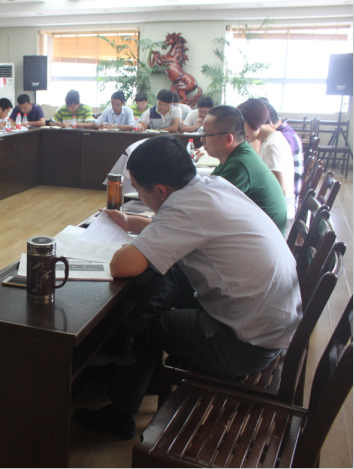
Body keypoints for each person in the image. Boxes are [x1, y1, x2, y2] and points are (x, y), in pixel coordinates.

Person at [74, 135, 301, 440]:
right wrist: (129, 221)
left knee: (150, 326)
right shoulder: (211, 186)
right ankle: (128, 351)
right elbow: (177, 229)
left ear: (160, 190)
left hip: (244, 346)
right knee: (170, 273)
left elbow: (122, 266)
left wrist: (132, 242)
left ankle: (120, 409)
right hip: (268, 324)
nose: (138, 194)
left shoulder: (183, 209)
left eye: (139, 189)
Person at [201, 105, 287, 234]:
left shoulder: (240, 165)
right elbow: (207, 188)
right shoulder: (236, 155)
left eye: (206, 134)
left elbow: (209, 206)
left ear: (228, 139)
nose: (202, 139)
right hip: (255, 231)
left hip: (263, 239)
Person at [238, 98, 296, 218]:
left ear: (254, 121)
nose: (241, 131)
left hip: (279, 214)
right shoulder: (272, 138)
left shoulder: (272, 145)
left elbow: (280, 190)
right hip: (277, 209)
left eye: (242, 125)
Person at [261, 99, 304, 199]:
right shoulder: (281, 132)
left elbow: (279, 189)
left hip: (289, 196)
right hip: (289, 191)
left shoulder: (280, 139)